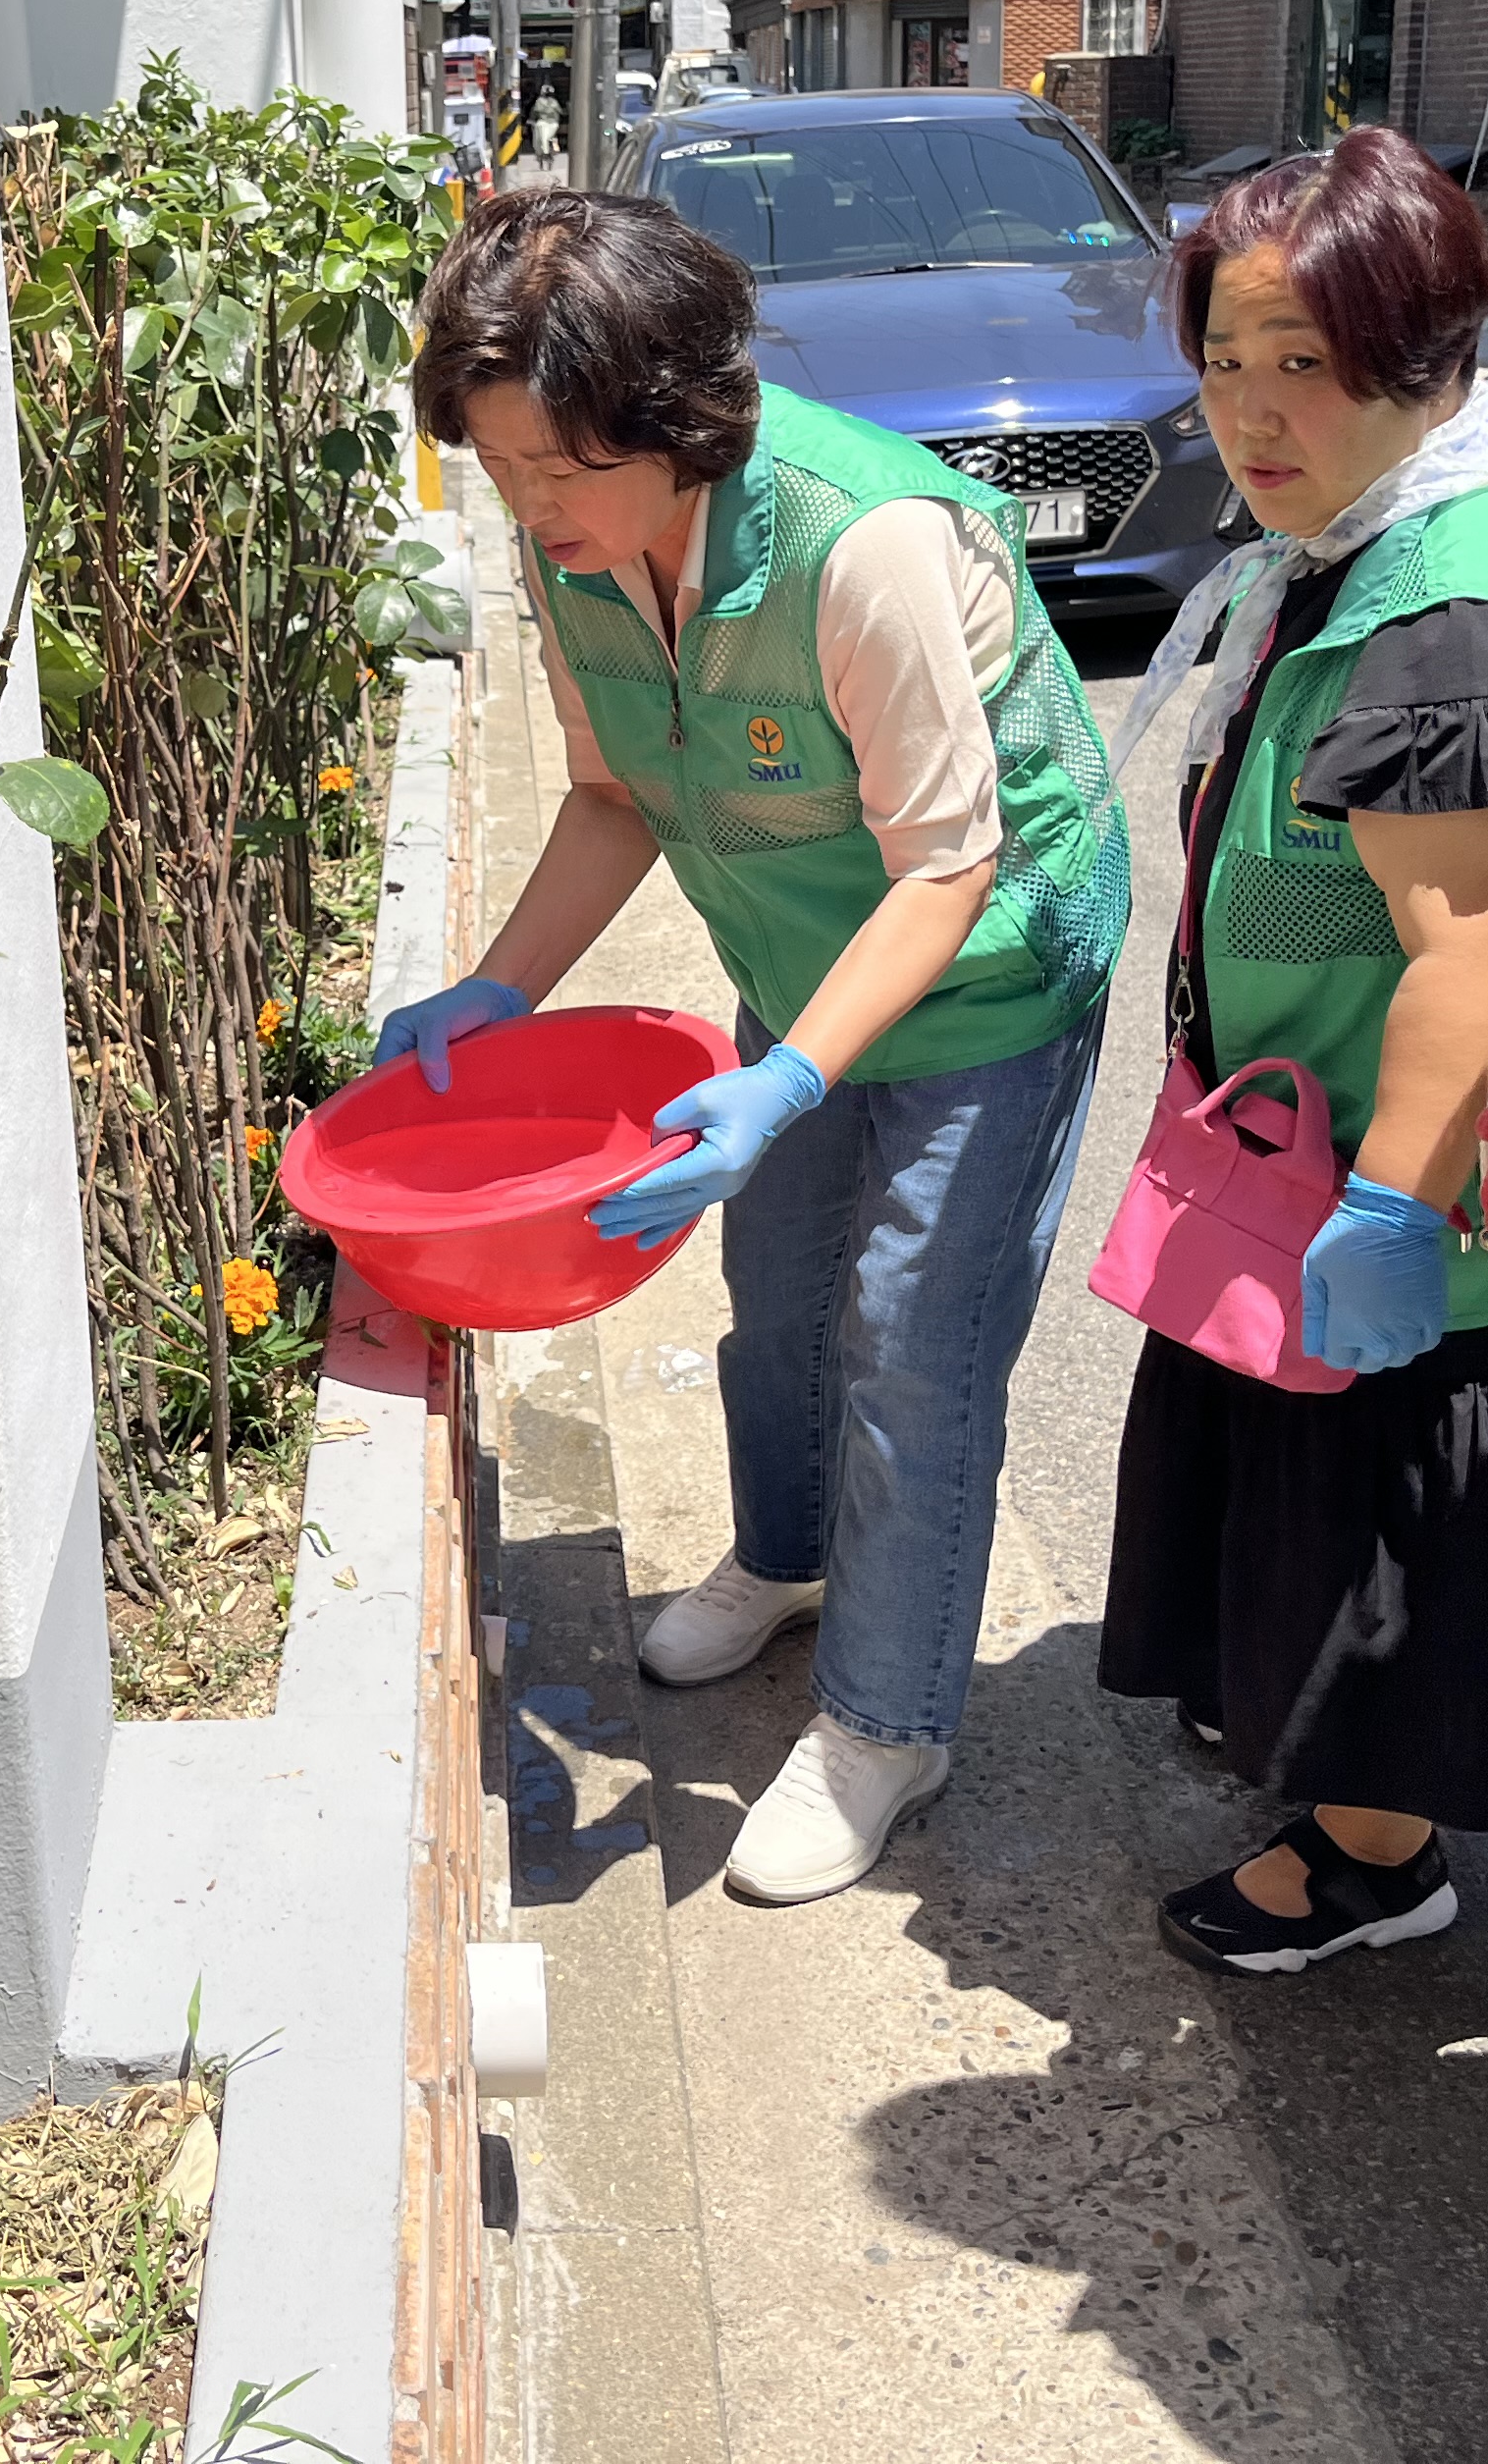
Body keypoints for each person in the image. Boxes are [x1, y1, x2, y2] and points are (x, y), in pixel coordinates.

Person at [387, 187, 1123, 1903]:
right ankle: (789, 1561)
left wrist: (789, 1081)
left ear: (680, 421)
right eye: (500, 470)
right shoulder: (573, 542)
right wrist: (500, 987)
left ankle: (886, 1723)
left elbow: (947, 870)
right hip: (798, 956)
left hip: (988, 970)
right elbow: (613, 793)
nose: (530, 507)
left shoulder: (865, 545)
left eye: (559, 468)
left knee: (910, 1342)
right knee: (780, 1294)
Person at [1092, 129, 1488, 1972]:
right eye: (1224, 361)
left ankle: (1371, 1854)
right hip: (1306, 1140)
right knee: (1302, 1488)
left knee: (1392, 1507)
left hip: (1404, 1179)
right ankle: (1312, 1736)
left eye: (1306, 364)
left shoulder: (1459, 608)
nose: (1253, 414)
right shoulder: (1358, 540)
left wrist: (1398, 1206)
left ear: (1428, 359)